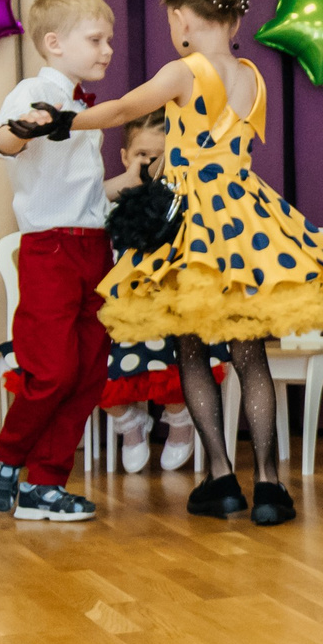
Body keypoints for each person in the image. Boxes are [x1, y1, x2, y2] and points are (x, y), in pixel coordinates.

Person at [50, 0, 323, 527]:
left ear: (187, 18)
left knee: (190, 346)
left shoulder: (183, 70)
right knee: (250, 353)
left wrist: (64, 123)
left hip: (195, 218)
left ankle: (220, 477)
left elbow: (120, 110)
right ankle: (269, 485)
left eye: (173, 21)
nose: (174, 31)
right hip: (246, 214)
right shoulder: (252, 76)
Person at [0, 0, 116, 521]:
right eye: (96, 39)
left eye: (109, 40)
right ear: (55, 43)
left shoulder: (84, 107)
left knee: (87, 375)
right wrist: (24, 128)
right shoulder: (36, 91)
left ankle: (45, 486)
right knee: (53, 371)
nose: (107, 49)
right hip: (51, 251)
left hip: (93, 248)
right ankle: (6, 458)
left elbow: (84, 192)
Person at [99, 113, 202, 474]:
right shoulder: (106, 200)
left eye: (159, 157)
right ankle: (128, 422)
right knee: (85, 356)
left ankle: (179, 417)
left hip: (168, 307)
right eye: (142, 155)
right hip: (116, 310)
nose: (149, 165)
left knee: (171, 349)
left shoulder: (182, 203)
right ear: (126, 156)